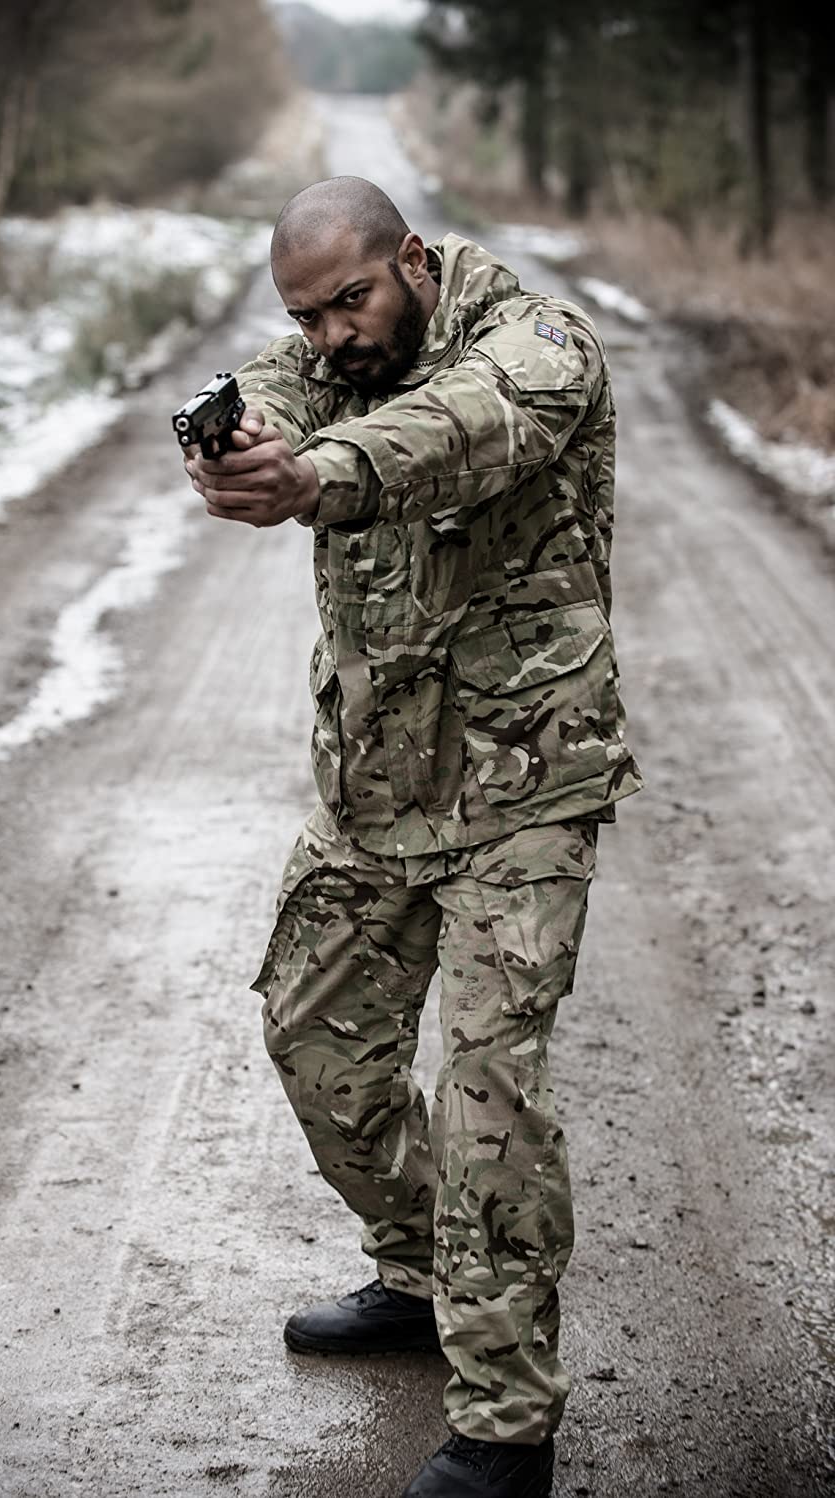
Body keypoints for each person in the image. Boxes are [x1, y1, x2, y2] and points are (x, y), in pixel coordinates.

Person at [183, 175, 642, 1498]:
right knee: (318, 1039)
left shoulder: (538, 344)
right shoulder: (325, 358)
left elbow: (461, 426)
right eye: (309, 313)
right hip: (374, 785)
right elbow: (273, 386)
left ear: (416, 264)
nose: (334, 332)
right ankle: (422, 1263)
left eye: (352, 299)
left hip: (525, 788)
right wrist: (232, 444)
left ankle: (507, 1422)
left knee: (493, 1096)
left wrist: (319, 472)